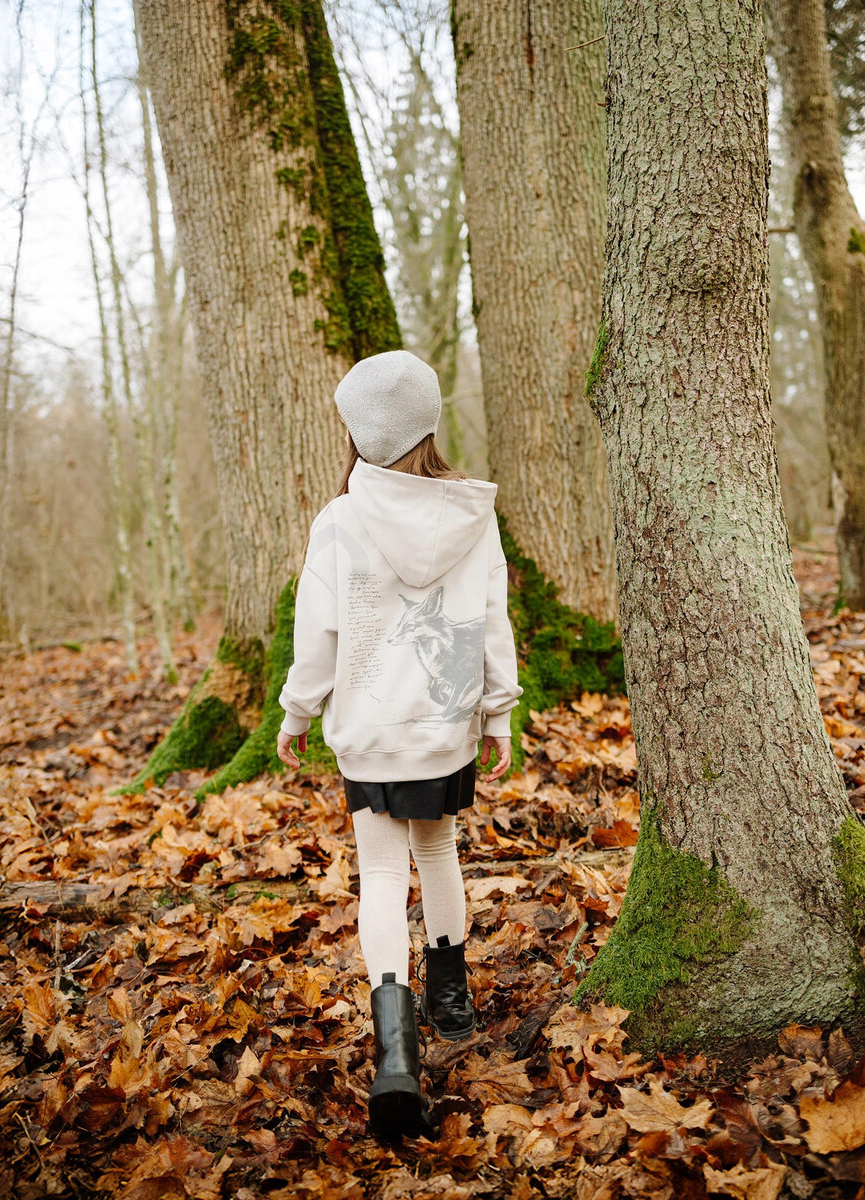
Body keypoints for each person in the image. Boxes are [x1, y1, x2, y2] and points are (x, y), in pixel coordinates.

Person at [276, 349, 522, 1142]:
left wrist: (296, 711)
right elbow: (491, 619)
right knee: (440, 853)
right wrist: (498, 714)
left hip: (370, 732)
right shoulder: (471, 512)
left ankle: (395, 1054)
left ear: (358, 433)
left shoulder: (342, 519)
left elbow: (319, 629)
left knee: (380, 873)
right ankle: (452, 1006)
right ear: (429, 423)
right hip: (444, 726)